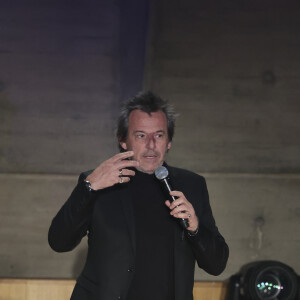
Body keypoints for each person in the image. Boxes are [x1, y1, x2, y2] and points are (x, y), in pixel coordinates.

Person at [48, 91, 229, 300]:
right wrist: (88, 187)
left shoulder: (191, 185)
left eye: (159, 135)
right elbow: (59, 242)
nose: (151, 145)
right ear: (123, 141)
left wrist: (196, 229)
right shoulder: (99, 182)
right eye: (141, 135)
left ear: (169, 141)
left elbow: (217, 265)